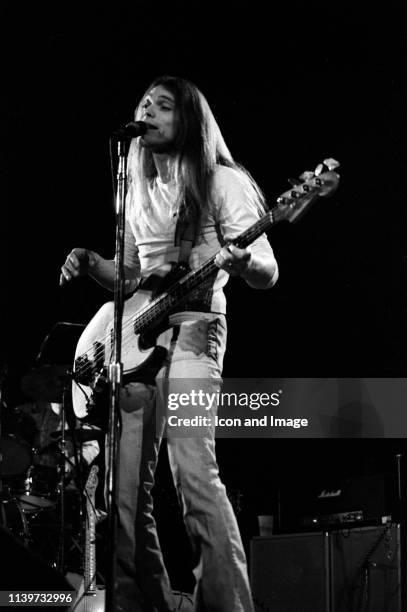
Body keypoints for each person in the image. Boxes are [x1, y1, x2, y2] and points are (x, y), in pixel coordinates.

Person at [60, 75, 278, 612]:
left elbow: (268, 269)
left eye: (163, 105)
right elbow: (131, 276)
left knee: (192, 471)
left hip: (197, 330)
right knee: (125, 493)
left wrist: (244, 259)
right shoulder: (134, 186)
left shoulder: (220, 181)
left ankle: (229, 605)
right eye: (143, 103)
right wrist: (91, 261)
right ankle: (142, 603)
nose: (147, 111)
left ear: (189, 121)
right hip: (136, 340)